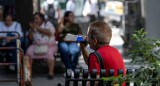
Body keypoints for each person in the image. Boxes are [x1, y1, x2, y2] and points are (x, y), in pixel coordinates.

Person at [80, 21, 126, 85]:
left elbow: (94, 82)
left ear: (95, 41)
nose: (87, 39)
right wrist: (83, 49)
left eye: (88, 37)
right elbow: (93, 64)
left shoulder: (95, 56)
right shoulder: (116, 51)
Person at [25, 12, 58, 79]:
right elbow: (30, 38)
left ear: (42, 19)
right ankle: (27, 74)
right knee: (28, 54)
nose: (35, 20)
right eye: (34, 19)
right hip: (36, 45)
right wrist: (32, 29)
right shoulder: (33, 26)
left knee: (49, 54)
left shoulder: (47, 24)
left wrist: (37, 28)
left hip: (49, 45)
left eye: (37, 18)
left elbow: (49, 33)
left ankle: (50, 73)